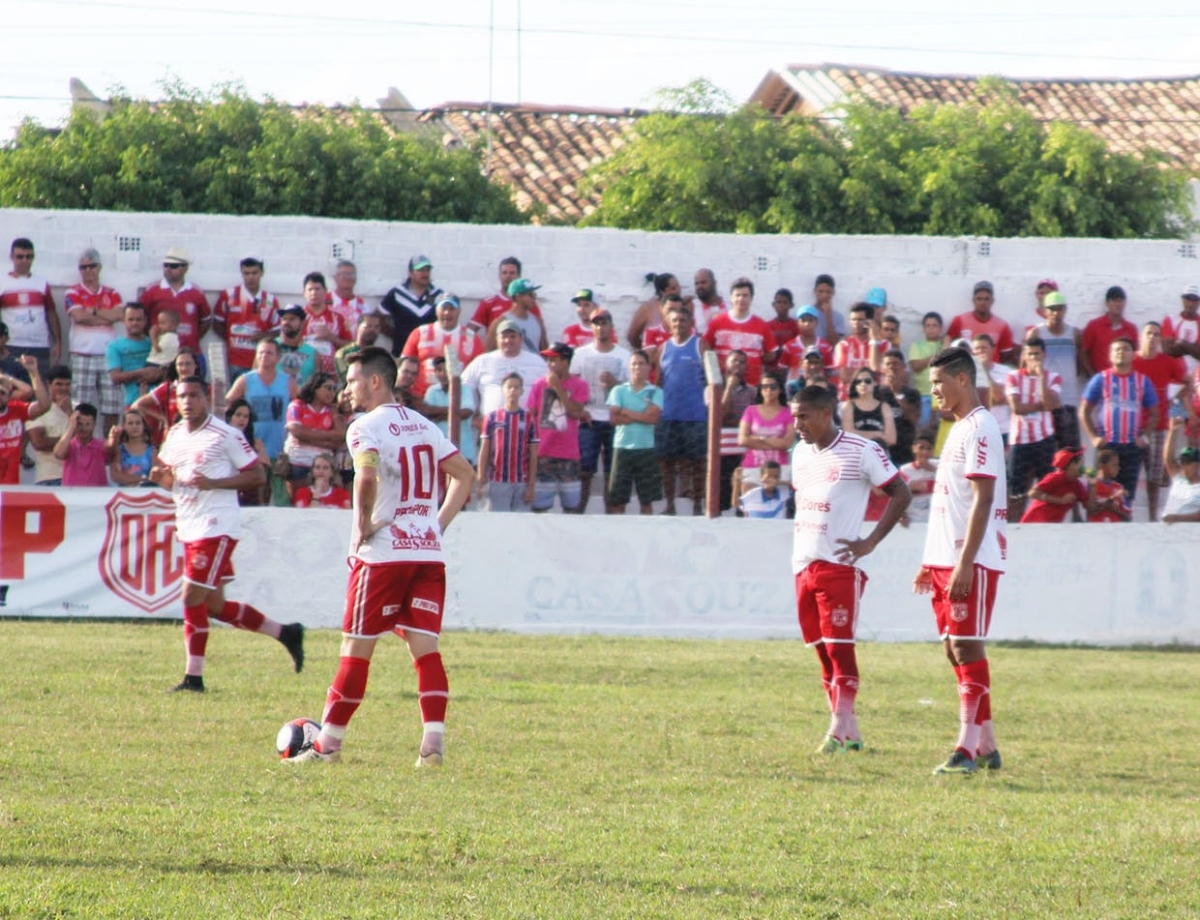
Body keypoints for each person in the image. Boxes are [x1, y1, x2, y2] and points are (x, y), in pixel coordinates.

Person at [284, 346, 474, 765]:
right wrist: (436, 525)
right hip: (427, 554)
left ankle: (327, 746)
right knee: (426, 649)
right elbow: (465, 475)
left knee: (355, 648)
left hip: (384, 555)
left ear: (374, 381)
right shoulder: (424, 425)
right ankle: (432, 746)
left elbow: (366, 476)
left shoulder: (363, 427)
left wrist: (364, 524)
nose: (346, 390)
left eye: (351, 381)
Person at [149, 377, 305, 693]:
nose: (188, 401)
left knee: (190, 597)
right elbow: (173, 480)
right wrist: (160, 479)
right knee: (214, 606)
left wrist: (215, 484)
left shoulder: (225, 435)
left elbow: (258, 475)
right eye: (183, 396)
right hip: (189, 526)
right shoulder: (176, 435)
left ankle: (194, 679)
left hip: (216, 527)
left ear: (205, 397)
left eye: (194, 395)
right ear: (176, 401)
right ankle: (286, 633)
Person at [791, 384, 910, 753]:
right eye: (795, 416)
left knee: (841, 649)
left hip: (839, 566)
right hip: (803, 565)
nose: (797, 424)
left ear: (826, 413)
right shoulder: (799, 454)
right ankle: (851, 734)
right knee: (822, 651)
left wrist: (869, 542)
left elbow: (900, 493)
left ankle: (836, 731)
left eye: (804, 416)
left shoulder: (862, 450)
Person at [912, 346, 1007, 775]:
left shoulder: (981, 427)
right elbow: (948, 503)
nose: (933, 391)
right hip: (944, 558)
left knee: (966, 645)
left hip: (969, 558)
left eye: (938, 383)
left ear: (962, 380)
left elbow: (982, 500)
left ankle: (964, 749)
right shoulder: (957, 429)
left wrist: (966, 562)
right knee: (954, 648)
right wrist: (930, 559)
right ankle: (985, 745)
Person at [1079, 337, 1158, 507]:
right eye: (1117, 350)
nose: (1121, 352)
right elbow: (1084, 411)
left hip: (1131, 447)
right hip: (1108, 446)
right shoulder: (1101, 379)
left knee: (1125, 495)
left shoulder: (1142, 381)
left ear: (1133, 355)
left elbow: (1154, 414)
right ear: (1110, 356)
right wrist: (1093, 438)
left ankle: (1126, 529)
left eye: (1126, 349)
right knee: (1099, 492)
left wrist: (1144, 438)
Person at [1132, 321, 1194, 521]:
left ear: (1160, 339)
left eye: (1156, 334)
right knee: (1129, 474)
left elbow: (1188, 382)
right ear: (1142, 336)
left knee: (1154, 477)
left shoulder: (1167, 361)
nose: (1152, 337)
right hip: (1132, 428)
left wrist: (1175, 398)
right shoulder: (1131, 360)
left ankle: (1151, 517)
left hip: (1157, 427)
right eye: (1148, 333)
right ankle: (1127, 515)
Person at [570, 309, 630, 512]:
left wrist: (615, 384)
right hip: (588, 419)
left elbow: (632, 391)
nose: (599, 327)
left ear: (611, 326)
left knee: (612, 470)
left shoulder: (624, 356)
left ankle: (610, 513)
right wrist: (578, 410)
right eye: (596, 323)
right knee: (584, 468)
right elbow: (570, 384)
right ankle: (579, 510)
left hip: (614, 419)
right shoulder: (580, 354)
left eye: (604, 323)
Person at [657, 303, 709, 516]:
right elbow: (659, 381)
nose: (678, 324)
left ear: (691, 323)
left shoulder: (700, 345)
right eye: (675, 320)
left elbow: (712, 377)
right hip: (669, 415)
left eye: (683, 320)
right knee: (667, 463)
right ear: (669, 323)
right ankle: (670, 504)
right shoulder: (664, 348)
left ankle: (698, 505)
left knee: (697, 463)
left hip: (695, 416)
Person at [64, 248, 124, 431]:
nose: (88, 270)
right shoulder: (72, 292)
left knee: (112, 407)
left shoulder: (112, 293)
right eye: (84, 267)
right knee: (80, 407)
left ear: (100, 267)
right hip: (81, 354)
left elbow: (119, 315)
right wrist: (106, 316)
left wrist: (94, 312)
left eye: (92, 266)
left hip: (108, 356)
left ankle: (108, 449)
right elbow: (80, 317)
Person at [527, 343, 589, 513]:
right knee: (539, 507)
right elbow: (531, 414)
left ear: (566, 361)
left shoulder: (579, 385)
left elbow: (574, 412)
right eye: (548, 360)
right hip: (543, 453)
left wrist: (557, 388)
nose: (549, 364)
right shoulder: (539, 384)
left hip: (568, 454)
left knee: (571, 507)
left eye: (554, 360)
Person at [1005, 336, 1061, 518]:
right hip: (1019, 440)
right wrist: (1041, 405)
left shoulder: (1053, 377)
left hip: (1044, 438)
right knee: (1016, 490)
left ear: (1043, 355)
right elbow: (1017, 408)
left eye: (1037, 354)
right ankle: (1012, 527)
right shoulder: (1013, 377)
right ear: (1024, 355)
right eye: (1030, 354)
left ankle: (1048, 524)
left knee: (1048, 486)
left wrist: (1041, 377)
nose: (1034, 358)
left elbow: (1051, 404)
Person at [606, 349, 663, 514]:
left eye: (641, 363)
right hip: (622, 448)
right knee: (618, 500)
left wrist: (625, 411)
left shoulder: (655, 392)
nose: (637, 367)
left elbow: (652, 419)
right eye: (634, 364)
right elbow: (614, 419)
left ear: (648, 367)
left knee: (647, 500)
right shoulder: (618, 390)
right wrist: (642, 416)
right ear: (629, 367)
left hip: (646, 448)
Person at [460, 316, 548, 422]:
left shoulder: (537, 362)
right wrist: (473, 417)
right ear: (497, 339)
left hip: (527, 428)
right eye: (504, 336)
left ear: (521, 339)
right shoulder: (483, 361)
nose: (508, 340)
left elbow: (549, 392)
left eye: (512, 336)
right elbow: (463, 387)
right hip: (490, 428)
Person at [1027, 291, 1085, 449]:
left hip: (1067, 399)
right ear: (1044, 311)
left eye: (1059, 308)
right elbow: (1026, 365)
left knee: (1070, 451)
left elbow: (1080, 363)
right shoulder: (1037, 333)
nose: (1056, 313)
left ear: (1065, 310)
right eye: (1052, 309)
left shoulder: (1074, 333)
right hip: (1044, 400)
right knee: (1044, 449)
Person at [224, 338, 297, 462]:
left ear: (278, 357)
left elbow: (300, 405)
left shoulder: (288, 381)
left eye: (269, 353)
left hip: (279, 448)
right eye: (261, 353)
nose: (264, 356)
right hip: (251, 448)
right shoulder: (245, 380)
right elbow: (227, 406)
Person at [401, 293, 485, 398]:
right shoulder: (420, 332)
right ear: (436, 310)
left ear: (459, 311)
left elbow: (481, 372)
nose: (447, 313)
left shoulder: (472, 337)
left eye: (452, 309)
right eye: (443, 308)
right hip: (420, 398)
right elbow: (404, 365)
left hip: (459, 400)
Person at [476, 372, 539, 512]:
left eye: (516, 387)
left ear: (522, 391)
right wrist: (481, 480)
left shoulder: (529, 418)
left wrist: (531, 486)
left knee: (521, 524)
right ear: (503, 390)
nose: (513, 390)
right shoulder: (492, 417)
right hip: (497, 480)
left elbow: (533, 454)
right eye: (509, 386)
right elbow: (484, 450)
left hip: (521, 480)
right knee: (498, 524)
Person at [212, 256, 281, 379]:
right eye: (246, 273)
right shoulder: (229, 295)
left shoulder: (271, 300)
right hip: (236, 360)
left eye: (254, 273)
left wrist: (265, 336)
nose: (250, 277)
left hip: (261, 361)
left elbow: (279, 330)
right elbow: (217, 323)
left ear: (262, 273)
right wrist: (231, 339)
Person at [0, 237, 61, 374]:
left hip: (39, 346)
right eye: (20, 257)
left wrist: (57, 342)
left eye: (29, 257)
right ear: (12, 257)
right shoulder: (2, 283)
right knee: (12, 389)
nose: (24, 261)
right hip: (11, 346)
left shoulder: (41, 283)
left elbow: (51, 314)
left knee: (39, 389)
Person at [283, 372, 346, 498]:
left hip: (325, 467)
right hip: (298, 464)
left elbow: (341, 436)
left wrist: (307, 439)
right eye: (328, 388)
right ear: (315, 388)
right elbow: (296, 431)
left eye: (334, 389)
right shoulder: (297, 405)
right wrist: (328, 437)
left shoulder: (333, 410)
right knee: (299, 503)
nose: (332, 392)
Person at [704, 277, 775, 387]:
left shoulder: (762, 326)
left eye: (745, 295)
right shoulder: (717, 323)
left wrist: (752, 360)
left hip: (752, 386)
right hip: (722, 384)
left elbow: (770, 355)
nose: (741, 299)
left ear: (751, 298)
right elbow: (706, 348)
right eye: (737, 295)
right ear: (731, 298)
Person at [736, 372, 795, 502]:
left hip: (779, 468)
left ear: (780, 389)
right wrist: (775, 442)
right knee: (751, 508)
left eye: (773, 387)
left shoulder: (788, 413)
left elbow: (787, 443)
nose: (768, 390)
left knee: (779, 510)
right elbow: (743, 439)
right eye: (764, 387)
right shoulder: (750, 410)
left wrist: (759, 438)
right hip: (753, 465)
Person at [139, 247, 211, 353]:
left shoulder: (197, 292)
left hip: (190, 353)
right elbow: (139, 317)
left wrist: (193, 339)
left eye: (173, 266)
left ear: (185, 268)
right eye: (165, 265)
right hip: (161, 353)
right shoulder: (152, 290)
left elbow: (206, 321)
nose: (167, 269)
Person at [132, 347, 202, 447]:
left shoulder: (203, 388)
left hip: (198, 438)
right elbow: (137, 405)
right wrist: (163, 419)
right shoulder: (168, 388)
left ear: (196, 366)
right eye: (180, 364)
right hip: (173, 439)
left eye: (188, 364)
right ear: (175, 367)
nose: (184, 368)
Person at [380, 255, 443, 358]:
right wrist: (395, 335)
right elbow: (378, 317)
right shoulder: (397, 294)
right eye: (420, 270)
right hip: (402, 353)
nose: (425, 273)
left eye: (427, 270)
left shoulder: (437, 295)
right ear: (411, 273)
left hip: (429, 355)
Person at [0, 355, 50, 483]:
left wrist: (33, 372)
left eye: (2, 393)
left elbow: (44, 405)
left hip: (11, 485)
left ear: (9, 396)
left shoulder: (16, 410)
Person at [422, 356, 477, 467]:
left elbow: (466, 412)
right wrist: (455, 411)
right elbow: (427, 412)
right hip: (439, 452)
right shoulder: (432, 391)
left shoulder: (465, 388)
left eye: (446, 369)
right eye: (439, 370)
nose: (443, 374)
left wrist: (439, 414)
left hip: (464, 451)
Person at [946, 281, 1016, 365]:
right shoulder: (959, 321)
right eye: (979, 299)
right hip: (967, 370)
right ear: (973, 300)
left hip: (992, 372)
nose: (982, 302)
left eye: (986, 299)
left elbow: (1006, 354)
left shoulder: (1002, 326)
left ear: (992, 301)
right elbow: (950, 346)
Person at [26, 364, 73, 486]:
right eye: (59, 384)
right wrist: (69, 440)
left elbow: (86, 440)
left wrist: (69, 413)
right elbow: (39, 443)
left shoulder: (78, 407)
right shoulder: (37, 409)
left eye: (67, 384)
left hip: (75, 476)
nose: (64, 388)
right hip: (49, 477)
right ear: (49, 384)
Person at [105, 303, 157, 411]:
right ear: (124, 320)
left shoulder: (154, 343)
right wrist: (141, 373)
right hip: (133, 403)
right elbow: (115, 377)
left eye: (139, 319)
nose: (134, 323)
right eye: (131, 319)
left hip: (157, 400)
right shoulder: (115, 346)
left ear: (145, 321)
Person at [299, 271, 352, 376]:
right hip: (303, 373)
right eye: (310, 289)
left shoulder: (338, 318)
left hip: (331, 375)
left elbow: (351, 346)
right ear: (304, 293)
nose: (314, 293)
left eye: (317, 289)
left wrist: (331, 337)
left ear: (325, 292)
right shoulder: (297, 318)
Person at [1081, 285, 1138, 376]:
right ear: (1107, 303)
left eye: (1121, 301)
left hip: (1124, 379)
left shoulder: (1131, 328)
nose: (1118, 304)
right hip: (1101, 380)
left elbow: (1135, 355)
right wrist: (1092, 376)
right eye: (1115, 300)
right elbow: (1083, 352)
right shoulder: (1094, 325)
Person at [1019, 447, 1088, 523]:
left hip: (1052, 525)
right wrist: (1060, 500)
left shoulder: (1077, 485)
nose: (1084, 467)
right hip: (1034, 522)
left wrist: (1093, 483)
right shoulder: (1055, 478)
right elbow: (1032, 493)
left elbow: (1090, 507)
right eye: (1081, 463)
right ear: (1071, 465)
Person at [832, 302, 885, 399]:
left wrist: (874, 341)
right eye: (853, 319)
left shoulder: (884, 345)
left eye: (860, 319)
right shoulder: (843, 345)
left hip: (875, 399)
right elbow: (844, 376)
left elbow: (876, 368)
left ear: (870, 321)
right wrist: (869, 377)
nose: (856, 323)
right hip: (848, 399)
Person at [224, 399, 271, 505]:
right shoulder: (221, 440)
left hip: (250, 492)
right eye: (238, 415)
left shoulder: (256, 443)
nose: (242, 419)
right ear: (230, 416)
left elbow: (265, 466)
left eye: (246, 416)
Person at [879, 349, 921, 466]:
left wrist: (896, 393)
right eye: (888, 364)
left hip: (905, 451)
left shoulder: (912, 393)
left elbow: (913, 419)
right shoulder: (875, 393)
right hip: (882, 451)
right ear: (882, 367)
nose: (892, 367)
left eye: (895, 363)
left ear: (903, 366)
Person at [780, 305, 834, 396]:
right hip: (795, 390)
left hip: (818, 389)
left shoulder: (825, 347)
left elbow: (829, 371)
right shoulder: (789, 346)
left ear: (816, 322)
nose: (807, 324)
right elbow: (782, 370)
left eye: (810, 320)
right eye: (803, 320)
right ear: (798, 323)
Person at [485, 278, 548, 354]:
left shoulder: (537, 321)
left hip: (533, 365)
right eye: (531, 295)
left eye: (535, 294)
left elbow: (544, 351)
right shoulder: (500, 322)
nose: (534, 298)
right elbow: (488, 352)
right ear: (518, 297)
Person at [469, 256, 528, 334]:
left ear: (519, 276)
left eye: (512, 273)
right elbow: (469, 331)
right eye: (504, 273)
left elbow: (541, 333)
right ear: (499, 276)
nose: (508, 276)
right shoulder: (488, 303)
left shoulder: (528, 303)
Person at [840, 368, 896, 451]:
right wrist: (877, 434)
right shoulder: (849, 406)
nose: (863, 384)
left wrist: (859, 434)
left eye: (867, 381)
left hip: (879, 454)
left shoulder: (884, 407)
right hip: (856, 453)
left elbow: (891, 439)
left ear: (875, 383)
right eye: (859, 381)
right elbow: (848, 434)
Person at [53, 404, 109, 486]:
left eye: (88, 424)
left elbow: (112, 450)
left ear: (94, 424)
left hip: (97, 496)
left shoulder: (101, 446)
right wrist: (71, 427)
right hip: (71, 496)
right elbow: (58, 454)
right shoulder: (69, 445)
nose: (84, 429)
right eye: (80, 424)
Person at [907, 311, 945, 426]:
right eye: (928, 326)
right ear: (923, 328)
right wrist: (938, 355)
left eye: (934, 326)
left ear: (940, 328)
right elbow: (916, 366)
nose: (931, 329)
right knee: (923, 427)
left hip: (942, 394)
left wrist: (945, 346)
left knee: (939, 427)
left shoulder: (945, 345)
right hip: (922, 394)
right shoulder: (917, 345)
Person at [1161, 417, 1200, 523]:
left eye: (1188, 463)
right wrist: (1172, 432)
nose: (1184, 466)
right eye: (1182, 462)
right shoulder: (1179, 479)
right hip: (1167, 530)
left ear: (1197, 465)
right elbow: (1168, 459)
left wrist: (1177, 518)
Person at [627, 272, 680, 350]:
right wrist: (647, 350)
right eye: (673, 288)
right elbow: (632, 336)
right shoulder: (648, 308)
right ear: (662, 291)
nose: (678, 291)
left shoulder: (684, 305)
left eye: (678, 287)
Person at [107, 408, 156, 487]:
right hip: (125, 494)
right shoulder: (119, 450)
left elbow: (156, 476)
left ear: (144, 426)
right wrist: (142, 478)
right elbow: (116, 476)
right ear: (124, 426)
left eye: (138, 423)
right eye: (130, 423)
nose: (134, 426)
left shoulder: (152, 450)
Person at [335, 312, 384, 388]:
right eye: (368, 326)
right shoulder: (342, 353)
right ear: (357, 328)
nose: (372, 330)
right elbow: (345, 378)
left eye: (376, 327)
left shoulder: (382, 355)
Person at [327, 259, 378, 330]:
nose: (348, 277)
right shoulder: (325, 299)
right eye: (344, 274)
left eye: (351, 274)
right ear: (336, 278)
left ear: (356, 278)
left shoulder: (361, 304)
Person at [275, 304, 318, 386]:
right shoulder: (268, 347)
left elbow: (317, 385)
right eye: (284, 319)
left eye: (292, 319)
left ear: (302, 323)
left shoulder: (313, 354)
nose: (287, 322)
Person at [899, 434, 938, 524]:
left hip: (933, 519)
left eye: (929, 448)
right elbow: (902, 493)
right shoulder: (905, 470)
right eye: (921, 448)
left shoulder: (939, 466)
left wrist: (931, 469)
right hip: (912, 519)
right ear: (914, 449)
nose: (925, 452)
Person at [1162, 284, 1200, 376]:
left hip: (1196, 377)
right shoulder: (1170, 319)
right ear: (1182, 300)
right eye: (1187, 299)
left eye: (1194, 300)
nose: (1190, 304)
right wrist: (1192, 348)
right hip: (1173, 375)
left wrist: (1181, 343)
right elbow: (1168, 351)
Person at [1087, 448, 1132, 522]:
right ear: (1102, 466)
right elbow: (1092, 511)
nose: (1118, 468)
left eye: (1118, 465)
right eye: (1114, 465)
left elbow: (1128, 517)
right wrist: (1109, 502)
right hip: (1096, 529)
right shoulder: (1093, 485)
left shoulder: (1119, 488)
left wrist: (1116, 511)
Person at [766, 288, 799, 374]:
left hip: (790, 370)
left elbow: (797, 348)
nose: (781, 305)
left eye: (785, 302)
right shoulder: (767, 326)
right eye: (779, 302)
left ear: (791, 305)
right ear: (773, 304)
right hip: (771, 370)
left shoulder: (796, 326)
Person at [807, 273, 846, 346]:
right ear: (814, 291)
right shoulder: (807, 313)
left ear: (833, 293)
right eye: (820, 291)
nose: (824, 295)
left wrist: (828, 316)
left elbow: (834, 343)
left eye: (828, 292)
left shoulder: (838, 317)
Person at [691, 268, 727, 334]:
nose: (700, 286)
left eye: (703, 282)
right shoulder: (692, 306)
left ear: (714, 283)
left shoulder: (728, 305)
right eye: (697, 283)